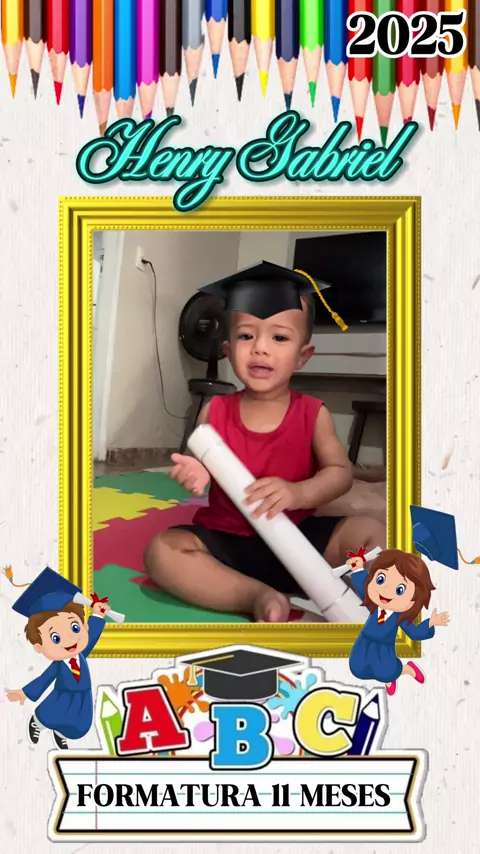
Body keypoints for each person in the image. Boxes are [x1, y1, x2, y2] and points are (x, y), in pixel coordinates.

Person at [144, 261, 386, 622]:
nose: (260, 348)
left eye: (279, 338)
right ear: (228, 350)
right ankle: (254, 595)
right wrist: (196, 471)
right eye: (246, 336)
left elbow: (340, 473)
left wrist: (298, 493)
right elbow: (197, 459)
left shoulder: (313, 413)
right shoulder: (215, 410)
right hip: (229, 543)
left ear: (302, 356)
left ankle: (383, 605)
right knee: (161, 551)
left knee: (372, 532)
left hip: (300, 541)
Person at [6, 568, 110, 748]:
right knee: (50, 715)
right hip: (63, 696)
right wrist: (25, 692)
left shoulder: (81, 654)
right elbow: (44, 679)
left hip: (82, 696)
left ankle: (61, 734)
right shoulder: (59, 665)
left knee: (80, 724)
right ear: (39, 647)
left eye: (75, 628)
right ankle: (37, 723)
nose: (70, 640)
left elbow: (91, 638)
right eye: (56, 638)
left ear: (85, 627)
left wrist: (98, 615)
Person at [348, 548, 450, 695]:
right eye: (380, 579)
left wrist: (430, 623)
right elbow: (364, 588)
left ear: (413, 601)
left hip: (384, 648)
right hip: (364, 642)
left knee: (386, 672)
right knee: (357, 668)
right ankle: (389, 677)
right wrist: (358, 569)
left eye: (400, 590)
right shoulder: (374, 605)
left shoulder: (400, 617)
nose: (386, 590)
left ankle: (407, 670)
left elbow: (414, 633)